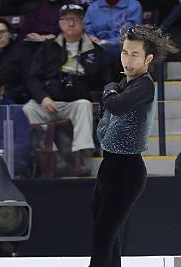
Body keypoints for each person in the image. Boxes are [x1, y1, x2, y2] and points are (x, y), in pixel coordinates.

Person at [58, 24, 178, 267]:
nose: (127, 59)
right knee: (107, 241)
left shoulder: (144, 86)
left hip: (127, 172)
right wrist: (110, 97)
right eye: (124, 52)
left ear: (148, 58)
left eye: (134, 55)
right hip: (110, 168)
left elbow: (114, 104)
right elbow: (104, 123)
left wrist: (110, 92)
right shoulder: (125, 82)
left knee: (102, 241)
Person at [24, 3, 110, 176]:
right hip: (49, 102)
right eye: (66, 19)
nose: (71, 24)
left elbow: (105, 81)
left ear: (83, 23)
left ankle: (78, 157)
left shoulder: (95, 50)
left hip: (75, 103)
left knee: (84, 105)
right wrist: (43, 98)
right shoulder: (47, 47)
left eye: (75, 19)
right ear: (60, 23)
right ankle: (52, 155)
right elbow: (32, 78)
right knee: (29, 108)